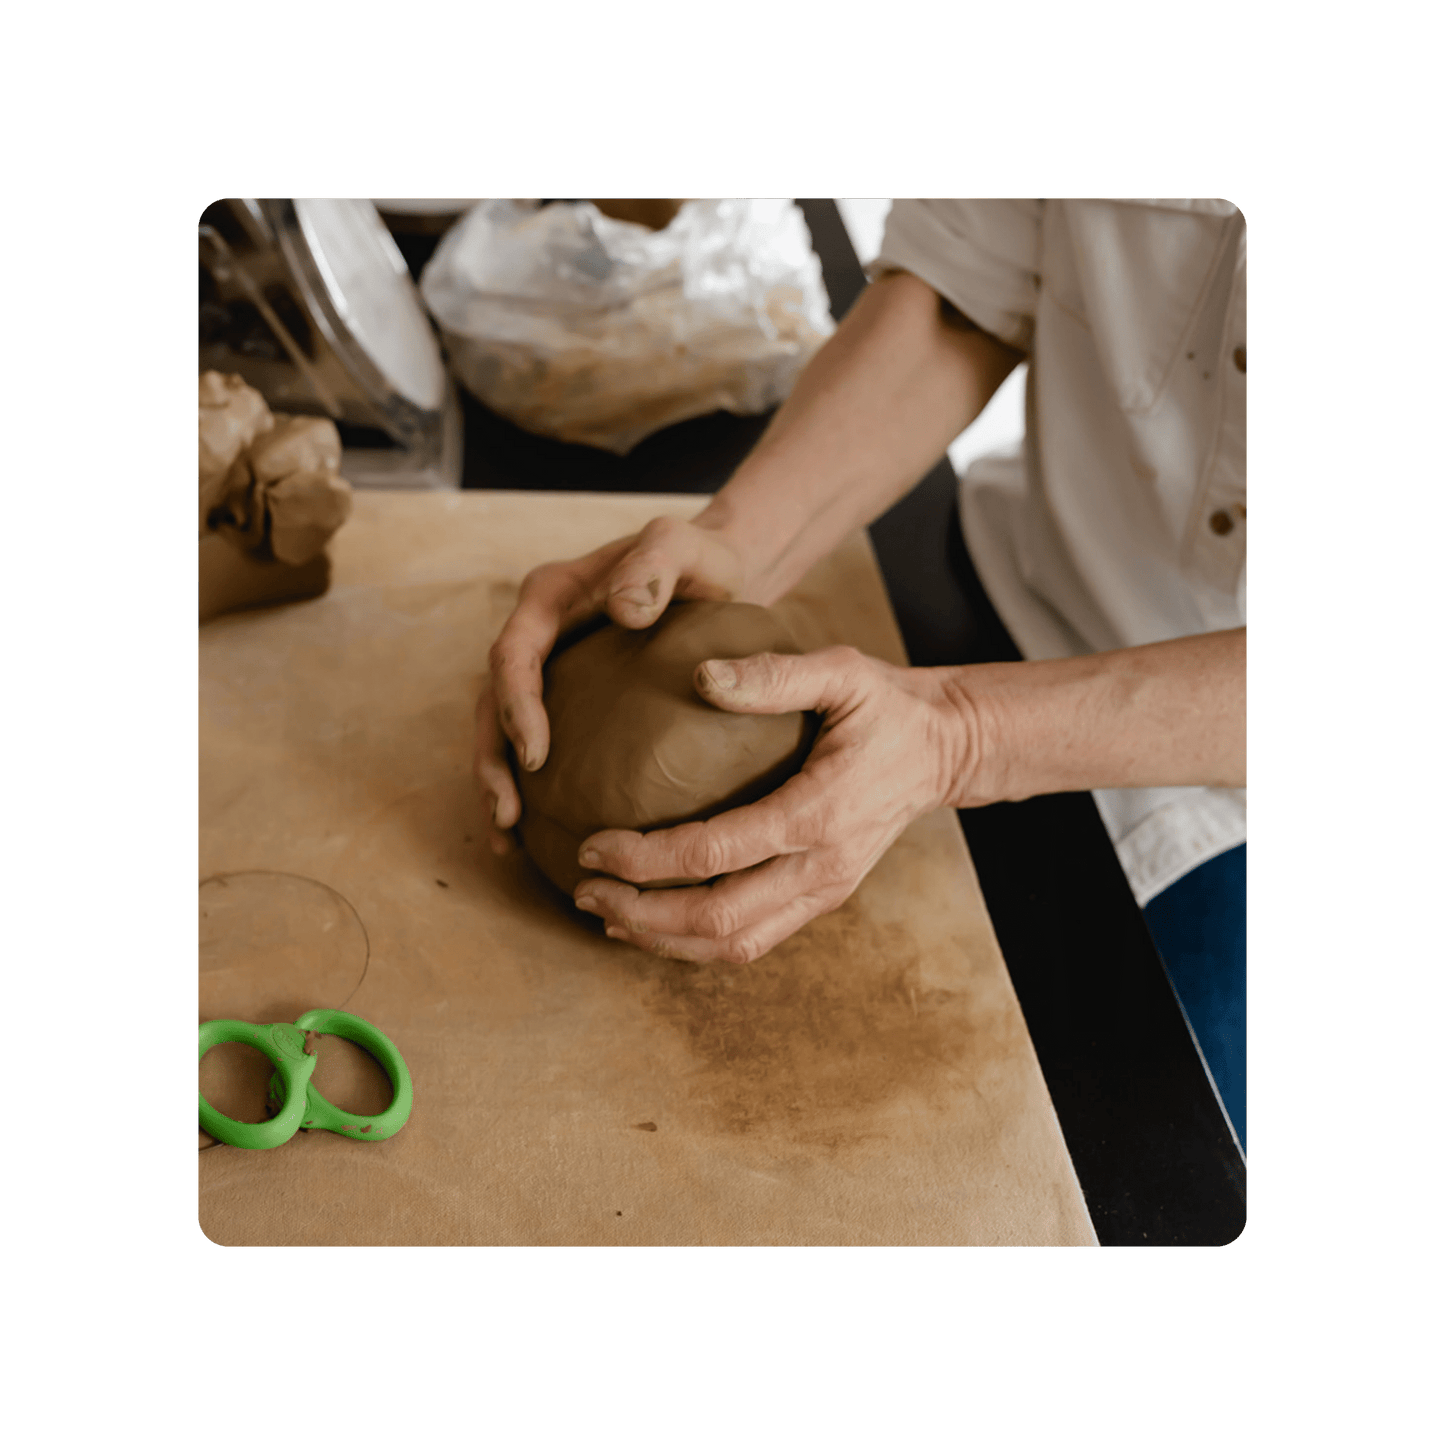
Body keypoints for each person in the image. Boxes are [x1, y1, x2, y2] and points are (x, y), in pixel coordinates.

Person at [475, 197, 1248, 1149]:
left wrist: (960, 734)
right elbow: (966, 291)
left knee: (1162, 1137)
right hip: (1017, 576)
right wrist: (738, 544)